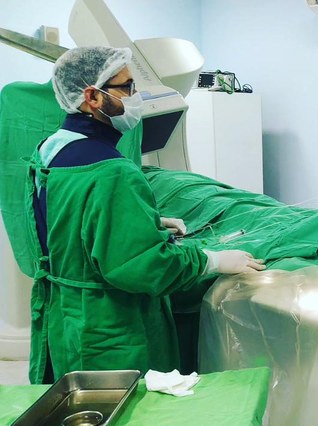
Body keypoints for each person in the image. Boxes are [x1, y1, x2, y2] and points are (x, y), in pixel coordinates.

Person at [26, 46, 264, 384]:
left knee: (75, 399)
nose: (136, 97)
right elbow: (145, 266)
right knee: (123, 407)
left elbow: (64, 219)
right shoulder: (113, 172)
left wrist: (140, 221)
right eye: (127, 87)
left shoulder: (49, 150)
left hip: (64, 316)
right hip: (106, 328)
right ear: (93, 97)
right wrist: (213, 261)